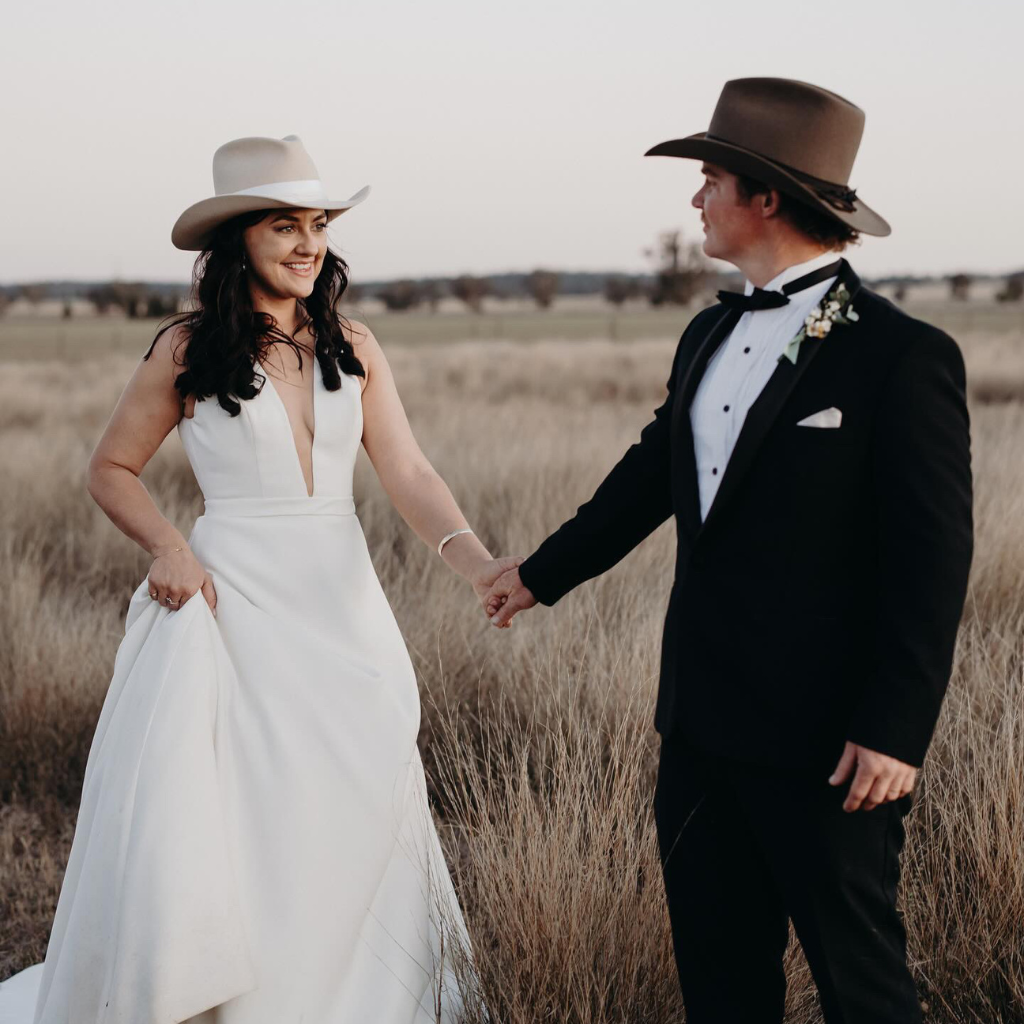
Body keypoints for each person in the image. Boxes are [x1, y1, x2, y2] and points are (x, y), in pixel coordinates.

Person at [485, 78, 974, 1023]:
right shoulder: (709, 331)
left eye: (709, 178)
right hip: (700, 727)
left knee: (863, 986)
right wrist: (540, 575)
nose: (695, 198)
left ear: (765, 197)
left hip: (833, 745)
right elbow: (648, 475)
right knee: (720, 985)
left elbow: (933, 559)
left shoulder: (901, 356)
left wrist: (896, 729)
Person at [0, 134, 511, 1023]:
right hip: (232, 604)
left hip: (345, 607)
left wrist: (477, 564)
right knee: (257, 811)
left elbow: (410, 473)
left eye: (316, 225)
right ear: (237, 242)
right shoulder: (187, 350)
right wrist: (168, 546)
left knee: (360, 792)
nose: (307, 243)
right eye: (284, 225)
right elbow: (110, 469)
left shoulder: (354, 343)